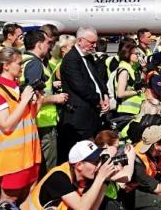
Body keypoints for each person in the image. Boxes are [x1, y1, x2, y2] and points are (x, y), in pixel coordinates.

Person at [0, 47, 42, 204]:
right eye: (19, 63)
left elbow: (29, 118)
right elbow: (6, 126)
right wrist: (24, 101)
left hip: (29, 155)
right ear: (6, 66)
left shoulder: (16, 88)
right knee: (9, 199)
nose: (22, 66)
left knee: (28, 198)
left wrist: (37, 102)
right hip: (13, 159)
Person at [59, 27, 110, 162]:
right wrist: (98, 99)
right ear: (80, 40)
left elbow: (98, 79)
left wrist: (105, 95)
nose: (94, 46)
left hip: (92, 114)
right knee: (81, 154)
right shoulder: (71, 59)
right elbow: (80, 87)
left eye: (95, 43)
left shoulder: (88, 57)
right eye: (91, 43)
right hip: (79, 117)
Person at [20, 30, 68, 173]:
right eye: (48, 43)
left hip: (32, 121)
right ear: (39, 44)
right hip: (42, 122)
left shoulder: (22, 60)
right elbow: (31, 96)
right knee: (47, 167)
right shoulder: (35, 64)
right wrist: (54, 98)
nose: (50, 46)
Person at [23, 140, 118, 210]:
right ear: (79, 165)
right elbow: (82, 208)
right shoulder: (58, 177)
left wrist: (105, 181)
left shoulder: (82, 179)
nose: (99, 165)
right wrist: (100, 177)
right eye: (95, 162)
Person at [120, 126, 161, 210]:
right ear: (156, 145)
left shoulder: (153, 150)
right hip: (130, 194)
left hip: (145, 185)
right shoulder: (138, 163)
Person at [94, 130, 137, 209]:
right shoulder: (102, 162)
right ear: (106, 145)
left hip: (111, 198)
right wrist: (130, 158)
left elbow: (121, 182)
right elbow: (127, 177)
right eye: (116, 147)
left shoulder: (104, 158)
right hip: (104, 202)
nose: (117, 150)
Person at [116, 42, 147, 116]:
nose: (138, 56)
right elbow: (120, 94)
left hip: (133, 110)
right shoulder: (124, 70)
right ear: (128, 54)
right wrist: (137, 92)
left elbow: (139, 83)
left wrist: (144, 70)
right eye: (136, 54)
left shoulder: (132, 69)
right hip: (126, 111)